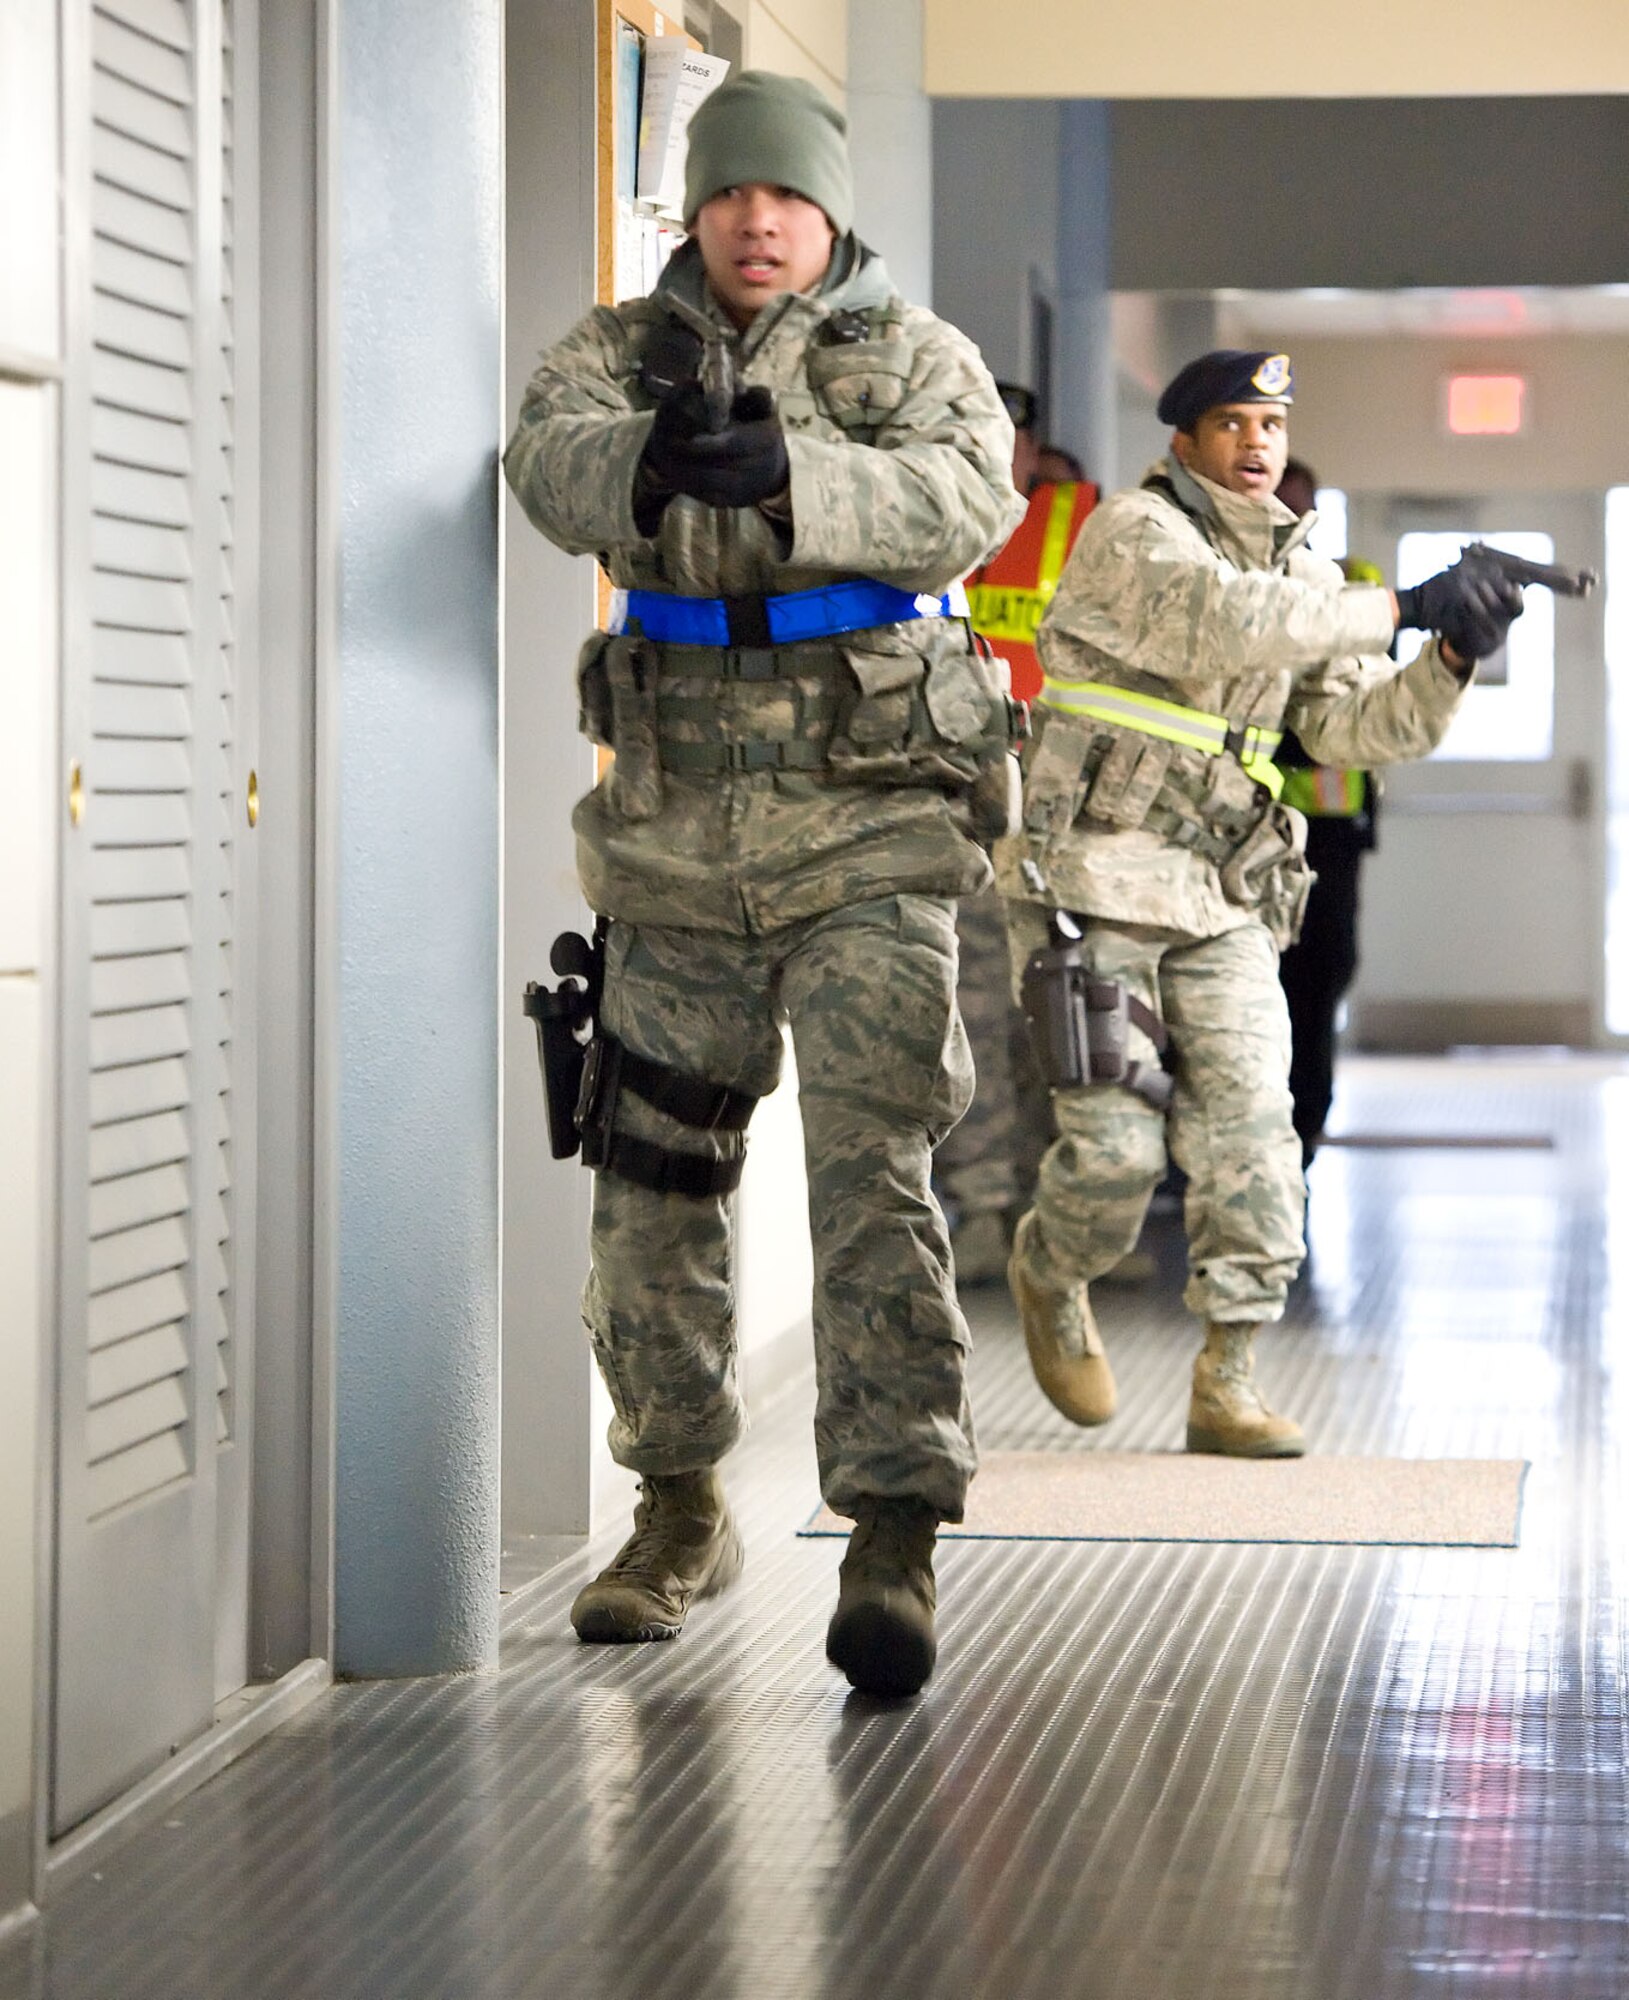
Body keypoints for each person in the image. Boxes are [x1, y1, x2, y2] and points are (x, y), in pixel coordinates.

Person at [503, 71, 1024, 1696]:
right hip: (671, 834)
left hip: (870, 824)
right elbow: (541, 464)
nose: (754, 220)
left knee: (870, 1179)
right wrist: (659, 460)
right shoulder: (615, 348)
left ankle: (888, 1532)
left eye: (782, 196)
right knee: (651, 1183)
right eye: (728, 194)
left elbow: (968, 502)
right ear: (695, 206)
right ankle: (672, 1507)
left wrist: (791, 476)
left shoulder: (909, 349)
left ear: (824, 211)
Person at [996, 349, 1524, 1457]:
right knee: (1115, 1154)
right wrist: (1397, 603)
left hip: (1223, 887)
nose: (1256, 445)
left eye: (1271, 426)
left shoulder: (1316, 579)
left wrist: (1452, 654)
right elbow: (1221, 624)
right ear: (1184, 443)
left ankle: (1226, 1380)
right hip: (1091, 879)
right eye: (1231, 424)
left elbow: (1350, 731)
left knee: (1252, 1138)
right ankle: (1051, 1269)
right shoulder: (1136, 534)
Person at [939, 398, 1100, 1285]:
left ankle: (1069, 1221)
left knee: (1065, 1019)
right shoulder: (929, 514)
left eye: (1014, 436)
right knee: (972, 1018)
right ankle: (987, 1206)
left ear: (1035, 448)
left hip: (1057, 816)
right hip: (964, 809)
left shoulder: (1080, 525)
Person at [1271, 455, 1385, 1166]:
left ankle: (1303, 1135)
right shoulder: (1233, 594)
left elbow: (1371, 690)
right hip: (1241, 832)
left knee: (1319, 986)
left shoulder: (1350, 586)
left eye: (1300, 508)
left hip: (1331, 839)